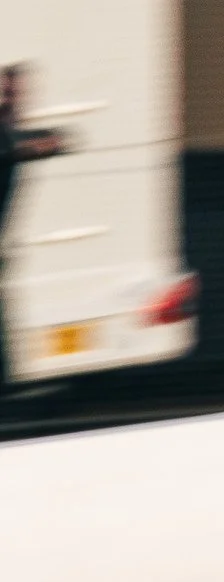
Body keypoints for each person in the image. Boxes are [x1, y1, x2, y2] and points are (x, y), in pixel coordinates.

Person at [0, 64, 68, 389]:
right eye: (8, 90)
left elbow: (60, 141)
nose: (13, 96)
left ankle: (9, 385)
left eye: (15, 90)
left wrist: (47, 143)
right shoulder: (6, 134)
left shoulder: (14, 131)